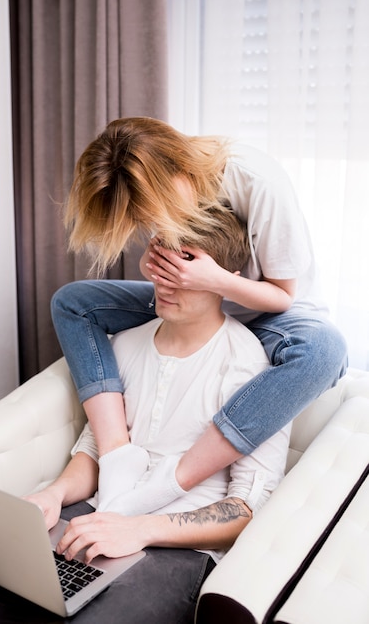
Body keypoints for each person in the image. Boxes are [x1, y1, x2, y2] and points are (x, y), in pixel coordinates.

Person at [51, 116, 348, 514]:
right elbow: (168, 251)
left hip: (270, 311)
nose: (153, 222)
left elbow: (281, 296)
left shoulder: (256, 181)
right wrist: (156, 269)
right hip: (198, 298)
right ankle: (116, 451)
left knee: (326, 350)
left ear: (178, 168)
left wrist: (213, 279)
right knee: (73, 302)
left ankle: (173, 479)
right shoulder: (159, 186)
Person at [23, 212, 290, 622]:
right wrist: (54, 495)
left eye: (184, 266)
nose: (164, 281)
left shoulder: (251, 370)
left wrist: (140, 529)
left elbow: (246, 507)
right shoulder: (125, 344)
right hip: (101, 513)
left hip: (179, 548)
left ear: (225, 278)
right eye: (162, 261)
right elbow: (95, 449)